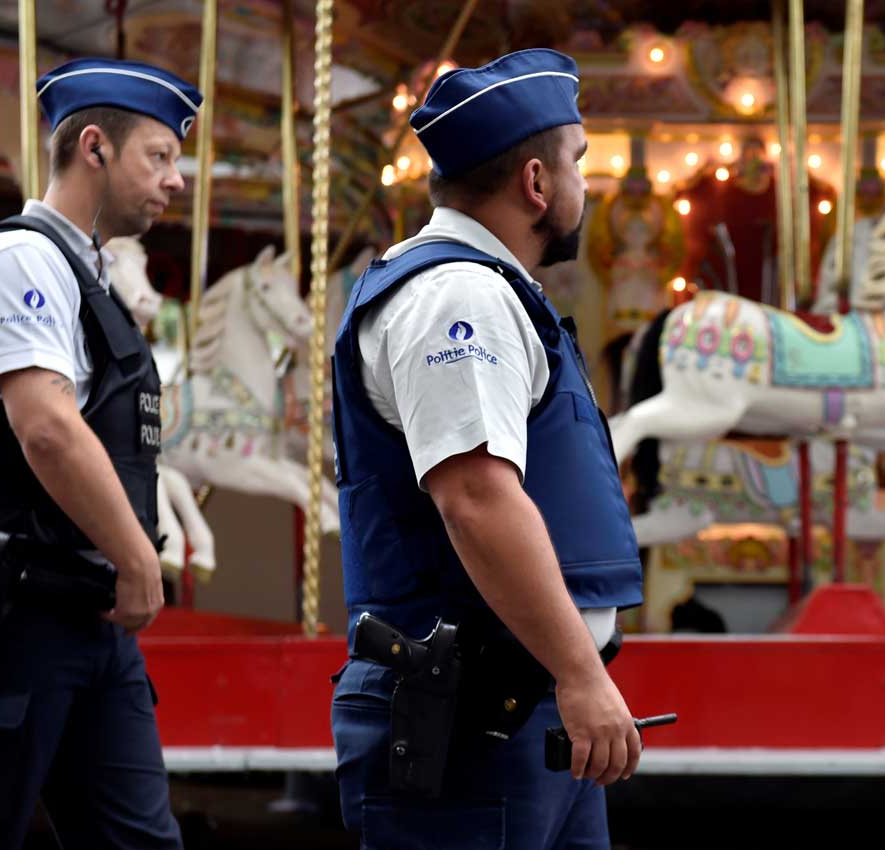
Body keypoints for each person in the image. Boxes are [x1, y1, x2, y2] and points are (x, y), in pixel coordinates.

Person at [330, 48, 644, 849]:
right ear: (536, 183)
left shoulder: (486, 290)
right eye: (578, 161)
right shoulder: (458, 296)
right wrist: (581, 672)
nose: (586, 183)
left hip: (513, 702)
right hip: (473, 711)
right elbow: (476, 499)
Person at [0, 57, 199, 849]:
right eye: (160, 156)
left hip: (93, 624)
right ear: (95, 146)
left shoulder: (88, 278)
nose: (176, 180)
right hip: (14, 619)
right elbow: (47, 428)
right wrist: (139, 556)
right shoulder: (20, 261)